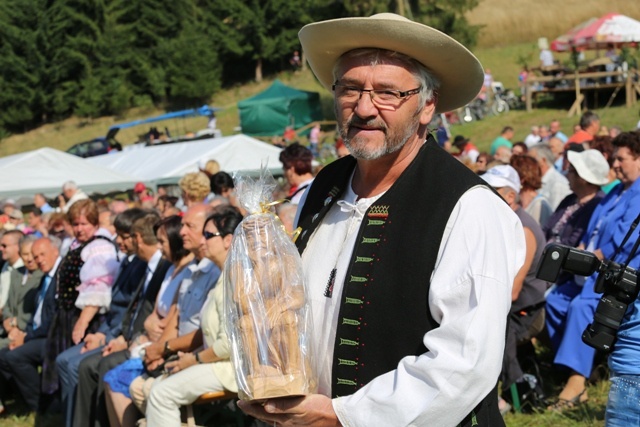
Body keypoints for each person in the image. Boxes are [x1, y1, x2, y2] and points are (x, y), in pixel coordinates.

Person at [239, 13, 525, 426]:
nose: (365, 108)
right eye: (350, 89)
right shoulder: (324, 186)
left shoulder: (469, 207)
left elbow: (465, 361)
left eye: (388, 93)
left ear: (427, 106)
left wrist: (345, 417)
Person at [545, 131, 640, 412]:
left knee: (580, 306)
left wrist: (593, 257)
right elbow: (594, 231)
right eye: (615, 159)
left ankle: (576, 384)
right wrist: (583, 251)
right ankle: (588, 364)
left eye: (621, 159)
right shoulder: (615, 193)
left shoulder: (638, 194)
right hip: (592, 271)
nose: (616, 165)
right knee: (554, 301)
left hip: (617, 278)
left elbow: (627, 243)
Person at [144, 206, 243, 426]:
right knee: (153, 386)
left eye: (208, 235)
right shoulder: (224, 275)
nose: (203, 240)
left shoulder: (234, 278)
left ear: (228, 240)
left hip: (230, 369)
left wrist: (194, 359)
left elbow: (228, 345)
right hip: (217, 362)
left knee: (161, 394)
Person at [72, 212, 171, 426]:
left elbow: (152, 317)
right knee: (84, 364)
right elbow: (132, 312)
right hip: (129, 337)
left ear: (139, 238)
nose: (121, 242)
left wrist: (126, 340)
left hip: (145, 343)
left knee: (103, 364)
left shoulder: (161, 267)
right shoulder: (147, 266)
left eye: (128, 237)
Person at [55, 208, 148, 427]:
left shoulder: (142, 266)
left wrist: (106, 337)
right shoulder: (128, 262)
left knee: (84, 365)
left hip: (123, 335)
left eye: (124, 236)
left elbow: (132, 312)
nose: (118, 241)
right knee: (64, 360)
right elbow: (116, 307)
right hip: (110, 330)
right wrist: (100, 333)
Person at [102, 215, 194, 427]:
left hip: (167, 346)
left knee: (119, 377)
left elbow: (172, 318)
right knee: (113, 378)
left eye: (162, 242)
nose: (159, 248)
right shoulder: (171, 269)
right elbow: (153, 315)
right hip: (154, 341)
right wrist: (149, 326)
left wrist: (156, 347)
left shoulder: (188, 270)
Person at [480, 166, 547, 414]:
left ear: (510, 196)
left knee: (497, 332)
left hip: (527, 310)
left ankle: (514, 395)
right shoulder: (507, 222)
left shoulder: (524, 228)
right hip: (514, 307)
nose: (483, 195)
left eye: (491, 190)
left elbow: (514, 291)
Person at [41, 199, 120, 396]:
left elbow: (99, 287)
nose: (79, 229)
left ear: (95, 224)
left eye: (84, 224)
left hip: (87, 317)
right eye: (75, 224)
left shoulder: (99, 247)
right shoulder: (76, 245)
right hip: (67, 314)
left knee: (76, 365)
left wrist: (82, 322)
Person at [0, 237, 62, 412]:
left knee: (13, 356)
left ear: (55, 252)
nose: (35, 260)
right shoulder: (43, 277)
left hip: (49, 336)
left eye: (40, 255)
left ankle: (39, 406)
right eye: (33, 256)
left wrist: (24, 335)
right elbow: (34, 313)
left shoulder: (53, 276)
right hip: (32, 332)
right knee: (6, 355)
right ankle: (28, 400)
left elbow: (50, 320)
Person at [543, 149, 609, 248]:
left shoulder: (597, 205)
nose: (566, 174)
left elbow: (573, 242)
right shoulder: (570, 199)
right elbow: (547, 227)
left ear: (583, 178)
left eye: (570, 170)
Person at [528, 144, 571, 211]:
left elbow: (555, 214)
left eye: (531, 160)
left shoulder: (557, 183)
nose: (527, 164)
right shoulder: (539, 180)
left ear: (543, 160)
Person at [0, 230, 25, 316]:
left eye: (4, 246)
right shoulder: (6, 265)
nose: (1, 248)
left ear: (18, 246)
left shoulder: (24, 270)